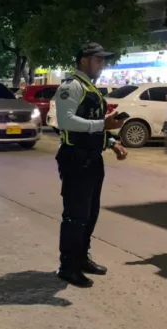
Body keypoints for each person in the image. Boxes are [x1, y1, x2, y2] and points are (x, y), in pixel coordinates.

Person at [54, 43, 129, 288]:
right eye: (98, 59)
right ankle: (68, 266)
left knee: (90, 214)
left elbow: (91, 124)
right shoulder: (71, 86)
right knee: (75, 216)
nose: (102, 64)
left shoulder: (89, 87)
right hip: (75, 159)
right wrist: (103, 125)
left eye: (103, 60)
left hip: (92, 158)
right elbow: (66, 122)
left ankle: (81, 257)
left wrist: (111, 142)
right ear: (83, 60)